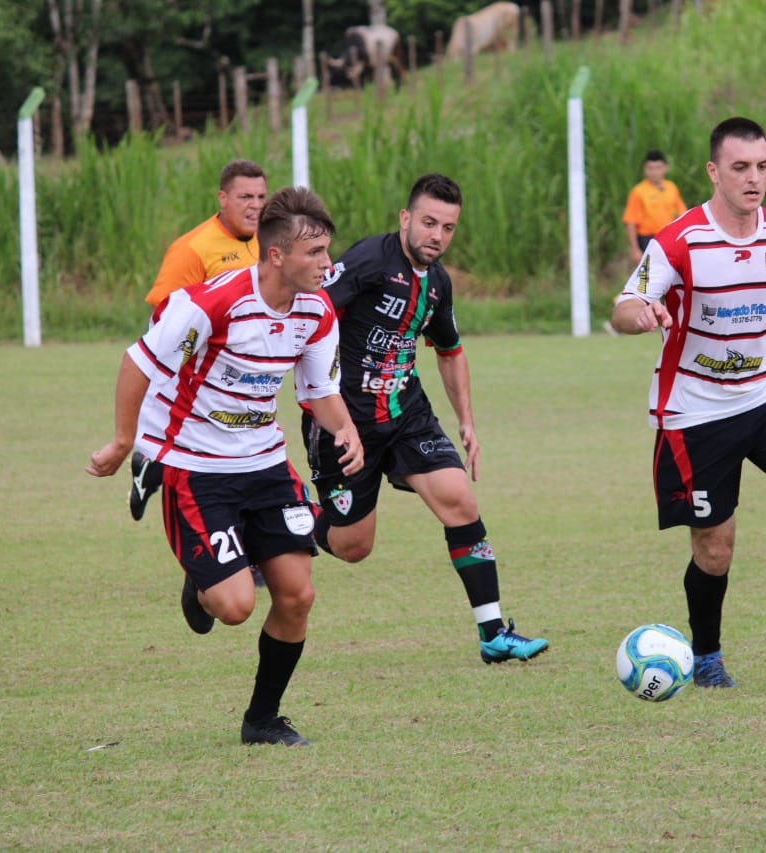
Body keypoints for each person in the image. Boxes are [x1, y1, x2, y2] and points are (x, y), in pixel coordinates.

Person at [87, 187, 365, 746]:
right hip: (194, 466)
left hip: (264, 463)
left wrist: (345, 426)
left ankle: (261, 721)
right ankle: (203, 578)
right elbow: (138, 363)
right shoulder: (211, 303)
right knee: (235, 607)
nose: (327, 264)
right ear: (277, 255)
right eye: (315, 253)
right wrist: (122, 441)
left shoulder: (317, 310)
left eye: (327, 251)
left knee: (298, 595)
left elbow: (317, 390)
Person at [610, 117, 766, 690]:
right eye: (740, 168)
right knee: (715, 550)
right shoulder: (678, 240)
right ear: (713, 172)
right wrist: (643, 315)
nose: (754, 179)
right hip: (694, 414)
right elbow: (624, 305)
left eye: (762, 167)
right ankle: (706, 657)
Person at [302, 172, 549, 665]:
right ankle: (286, 517)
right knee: (353, 547)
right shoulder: (368, 260)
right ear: (406, 218)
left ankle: (493, 633)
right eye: (429, 223)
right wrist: (319, 401)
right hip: (346, 422)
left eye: (448, 227)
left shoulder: (437, 284)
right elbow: (311, 317)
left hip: (407, 413)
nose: (437, 235)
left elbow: (450, 352)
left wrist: (467, 422)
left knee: (460, 501)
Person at [129, 160, 271, 587]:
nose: (255, 206)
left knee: (250, 456)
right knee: (216, 464)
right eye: (245, 197)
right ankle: (223, 559)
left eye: (262, 197)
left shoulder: (270, 242)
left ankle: (149, 467)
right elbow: (165, 319)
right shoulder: (193, 248)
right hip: (200, 383)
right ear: (222, 199)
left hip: (250, 378)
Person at [622, 149, 687, 265]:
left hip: (669, 238)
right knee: (647, 278)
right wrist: (635, 249)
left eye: (658, 168)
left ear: (665, 168)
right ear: (645, 169)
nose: (654, 172)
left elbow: (683, 214)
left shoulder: (672, 188)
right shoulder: (638, 192)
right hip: (648, 240)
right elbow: (630, 222)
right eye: (650, 168)